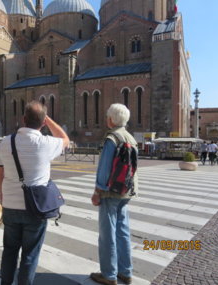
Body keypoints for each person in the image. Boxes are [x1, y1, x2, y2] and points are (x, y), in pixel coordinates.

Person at [0, 101, 69, 285]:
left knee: (9, 250)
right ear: (43, 123)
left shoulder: (6, 142)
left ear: (23, 119)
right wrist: (47, 119)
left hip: (10, 205)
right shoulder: (46, 143)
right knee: (30, 254)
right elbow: (65, 139)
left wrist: (2, 196)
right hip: (36, 208)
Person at [90, 104, 138, 285]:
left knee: (107, 233)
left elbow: (104, 169)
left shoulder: (112, 138)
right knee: (123, 231)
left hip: (110, 192)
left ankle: (109, 275)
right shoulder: (131, 138)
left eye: (107, 116)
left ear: (111, 119)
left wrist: (97, 191)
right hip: (126, 191)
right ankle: (126, 272)